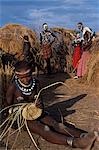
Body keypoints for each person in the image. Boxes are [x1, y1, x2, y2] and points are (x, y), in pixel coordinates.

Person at [5, 60, 99, 149]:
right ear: (17, 76)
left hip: (36, 112)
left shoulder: (36, 83)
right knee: (44, 128)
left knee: (56, 124)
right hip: (21, 117)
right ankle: (76, 142)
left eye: (28, 76)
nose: (26, 80)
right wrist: (21, 107)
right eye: (22, 77)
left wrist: (38, 105)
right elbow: (8, 107)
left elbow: (41, 103)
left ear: (31, 73)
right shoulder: (13, 87)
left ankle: (86, 136)